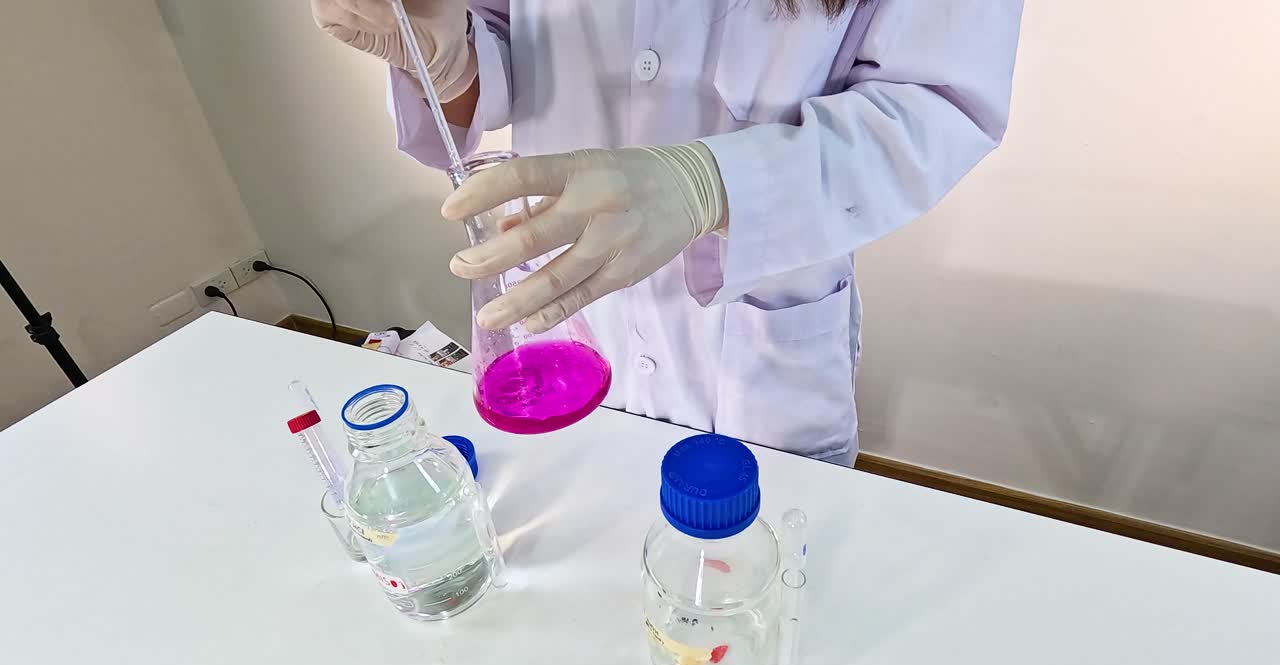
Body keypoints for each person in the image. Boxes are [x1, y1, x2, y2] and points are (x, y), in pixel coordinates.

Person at [311, 0, 1023, 462]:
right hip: (569, 326)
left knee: (744, 604)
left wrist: (709, 183)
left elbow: (935, 108)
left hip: (753, 352)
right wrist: (446, 51)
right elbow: (500, 36)